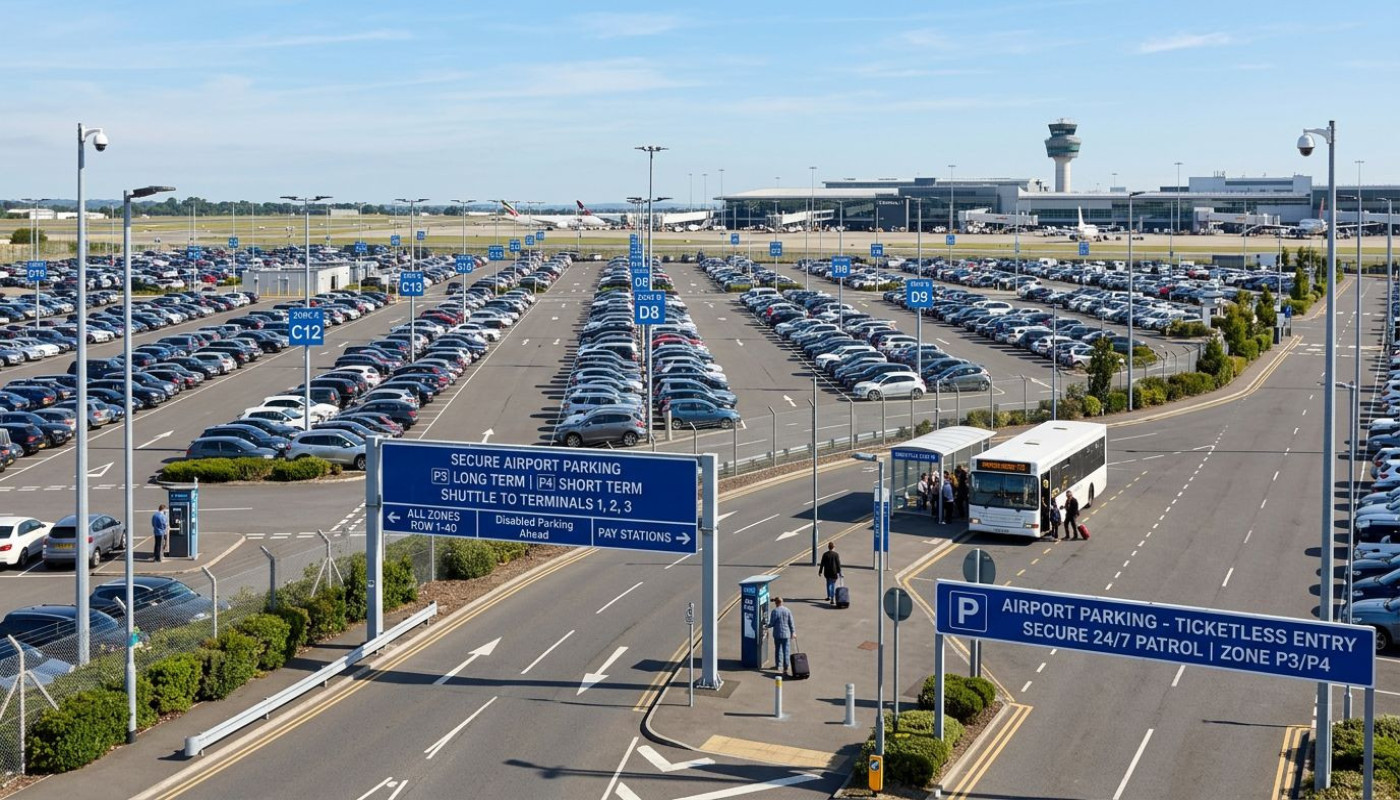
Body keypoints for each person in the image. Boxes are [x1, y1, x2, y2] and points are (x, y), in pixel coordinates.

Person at [768, 597, 796, 675]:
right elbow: (791, 622)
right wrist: (793, 632)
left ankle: (778, 665)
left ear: (776, 603)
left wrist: (766, 626)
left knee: (778, 650)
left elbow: (772, 623)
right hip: (786, 634)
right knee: (786, 651)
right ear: (782, 602)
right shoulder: (788, 610)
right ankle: (786, 668)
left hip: (777, 634)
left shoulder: (775, 611)